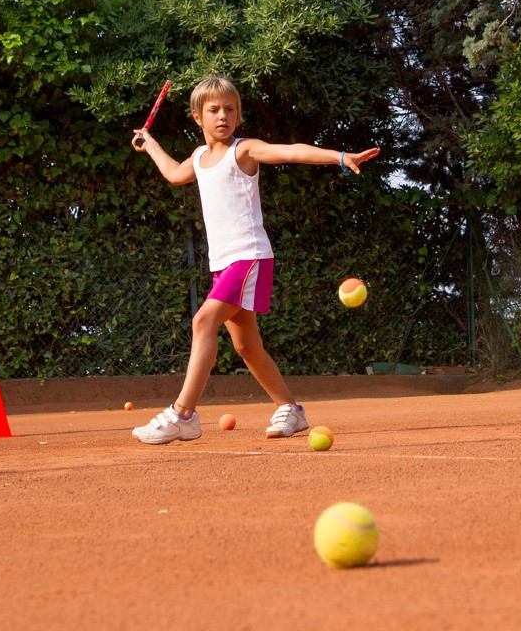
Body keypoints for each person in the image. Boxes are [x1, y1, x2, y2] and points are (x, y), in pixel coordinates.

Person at [129, 75, 380, 444]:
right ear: (197, 117)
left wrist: (339, 157)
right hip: (224, 264)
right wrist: (149, 143)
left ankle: (183, 414)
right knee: (246, 345)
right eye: (213, 110)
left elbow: (291, 150)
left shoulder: (242, 151)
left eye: (230, 109)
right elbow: (172, 174)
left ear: (238, 114)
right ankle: (291, 411)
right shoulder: (199, 158)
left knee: (203, 322)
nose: (222, 116)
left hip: (248, 258)